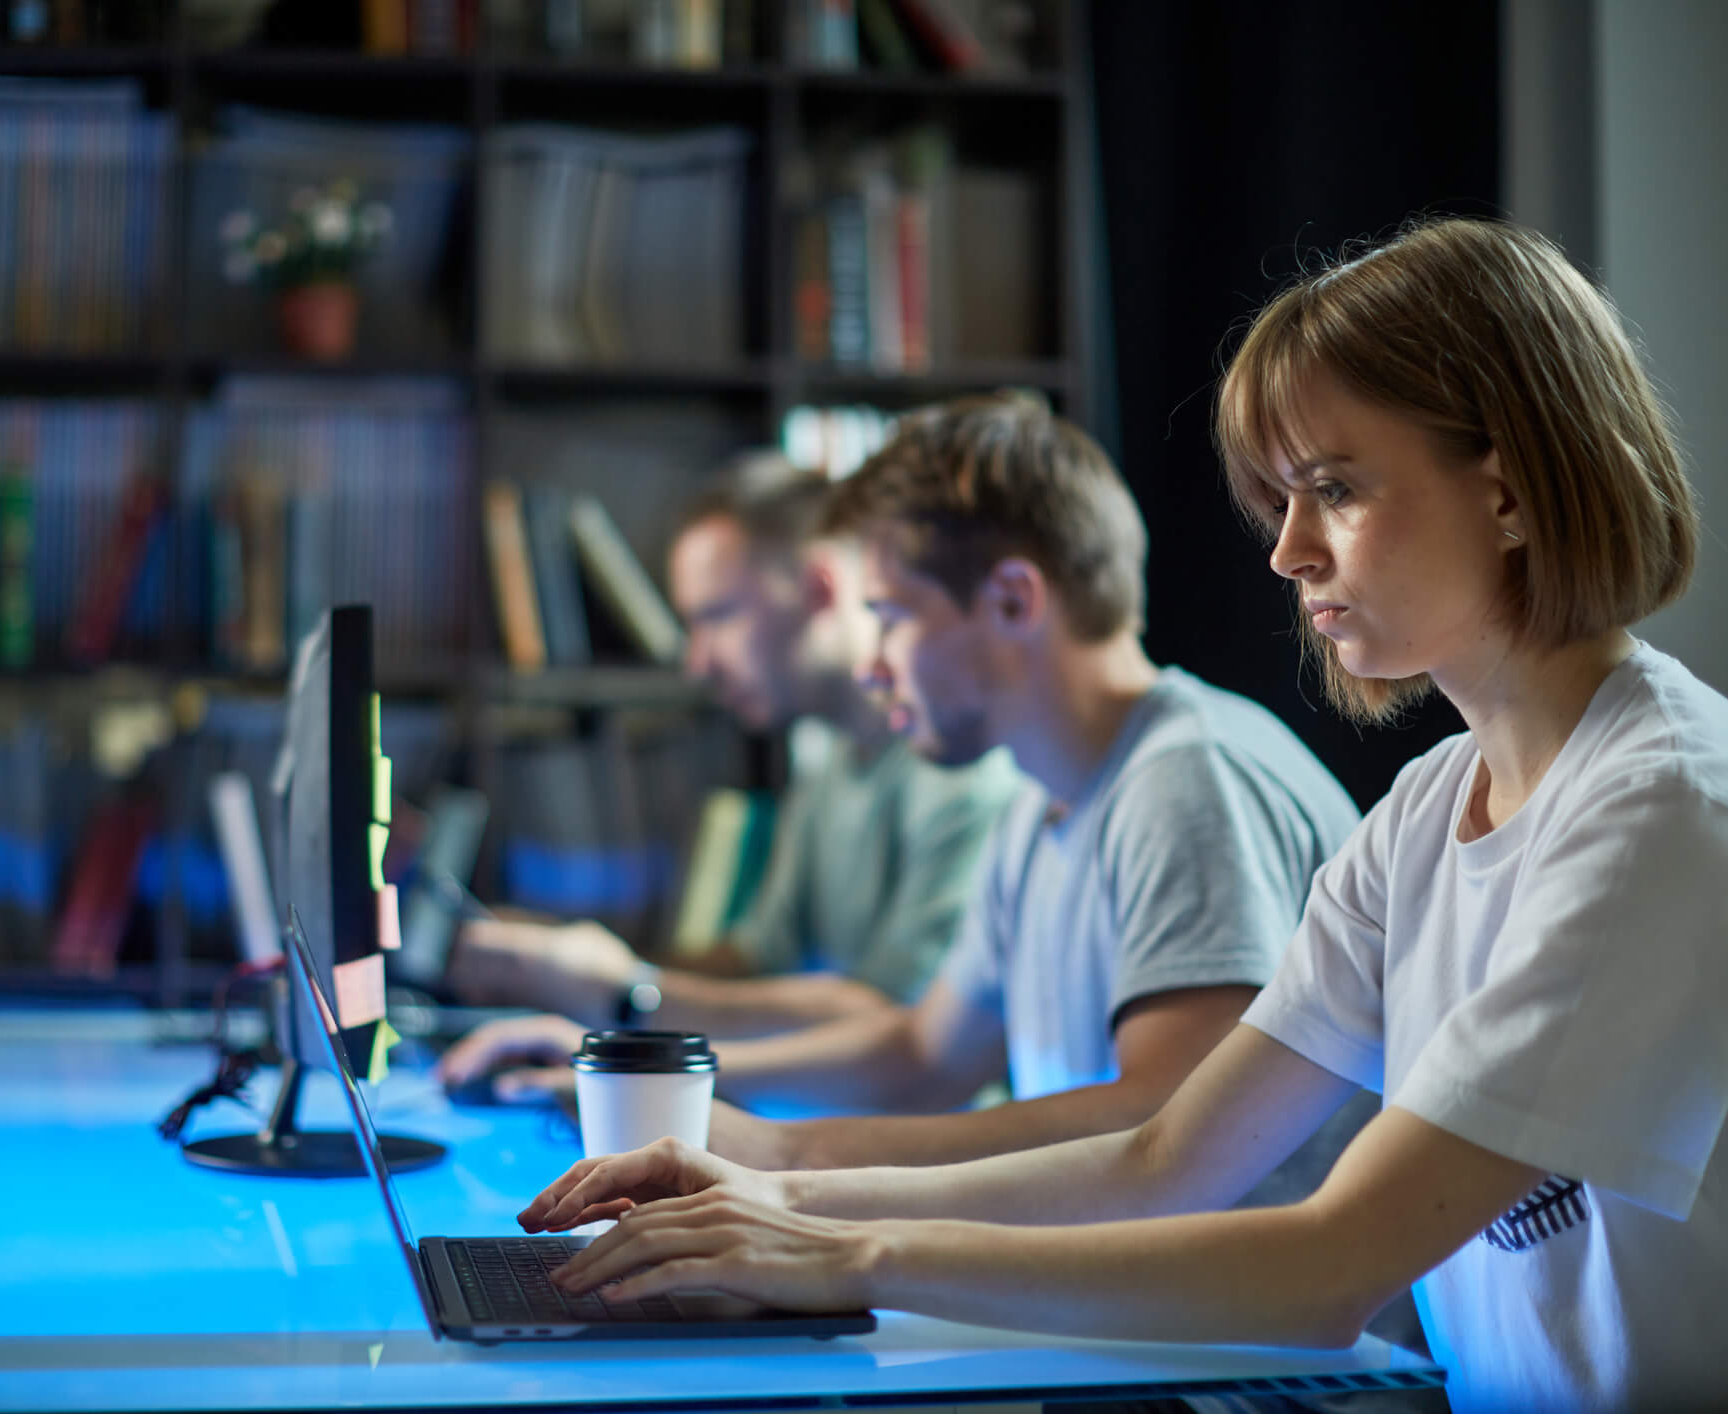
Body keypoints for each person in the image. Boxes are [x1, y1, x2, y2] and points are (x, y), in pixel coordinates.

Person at [513, 218, 1725, 1414]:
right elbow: (1165, 1161)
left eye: (1337, 490)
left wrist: (844, 1253)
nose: (1288, 551)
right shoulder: (1423, 812)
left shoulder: (1655, 808)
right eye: (1285, 499)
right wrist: (771, 1197)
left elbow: (1327, 1271)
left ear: (1508, 493)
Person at [449, 392, 1365, 1194]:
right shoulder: (1040, 804)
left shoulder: (1184, 780)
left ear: (1011, 600)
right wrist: (660, 1088)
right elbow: (922, 1057)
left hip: (1258, 1381)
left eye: (889, 617)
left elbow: (1155, 1120)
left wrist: (781, 1152)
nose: (874, 664)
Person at [443, 457, 1018, 1051]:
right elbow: (759, 962)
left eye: (718, 617)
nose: (697, 663)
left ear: (820, 588)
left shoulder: (963, 770)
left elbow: (900, 1025)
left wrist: (628, 991)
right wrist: (560, 966)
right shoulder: (826, 756)